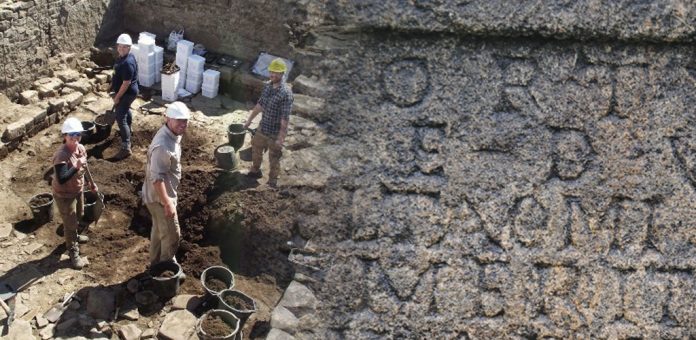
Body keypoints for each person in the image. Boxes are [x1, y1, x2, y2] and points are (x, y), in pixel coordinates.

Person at [141, 102, 190, 270]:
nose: (183, 125)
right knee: (171, 235)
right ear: (168, 119)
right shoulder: (162, 145)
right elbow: (157, 179)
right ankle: (165, 268)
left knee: (159, 229)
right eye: (179, 121)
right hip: (160, 198)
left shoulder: (172, 134)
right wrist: (168, 202)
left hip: (157, 196)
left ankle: (154, 263)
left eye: (185, 121)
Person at [52, 117, 98, 269]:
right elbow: (62, 178)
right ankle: (73, 252)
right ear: (64, 136)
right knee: (70, 224)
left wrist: (91, 182)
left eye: (77, 134)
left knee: (79, 215)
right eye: (71, 135)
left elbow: (85, 166)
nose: (75, 138)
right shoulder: (62, 155)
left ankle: (75, 237)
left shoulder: (81, 148)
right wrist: (76, 167)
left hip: (78, 190)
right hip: (64, 195)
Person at [242, 58, 294, 187]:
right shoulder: (267, 86)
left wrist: (281, 138)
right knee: (256, 147)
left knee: (274, 157)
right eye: (272, 72)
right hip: (263, 127)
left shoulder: (286, 94)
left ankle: (272, 181)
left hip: (275, 133)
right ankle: (255, 170)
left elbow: (285, 118)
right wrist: (249, 120)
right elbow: (260, 105)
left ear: (283, 74)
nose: (273, 75)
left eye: (277, 73)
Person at [111, 33, 139, 160]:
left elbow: (126, 83)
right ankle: (129, 129)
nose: (121, 49)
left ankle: (126, 147)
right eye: (119, 46)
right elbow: (117, 75)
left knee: (120, 116)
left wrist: (117, 97)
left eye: (124, 47)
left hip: (127, 93)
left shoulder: (127, 63)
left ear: (129, 48)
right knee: (126, 109)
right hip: (128, 92)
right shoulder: (124, 57)